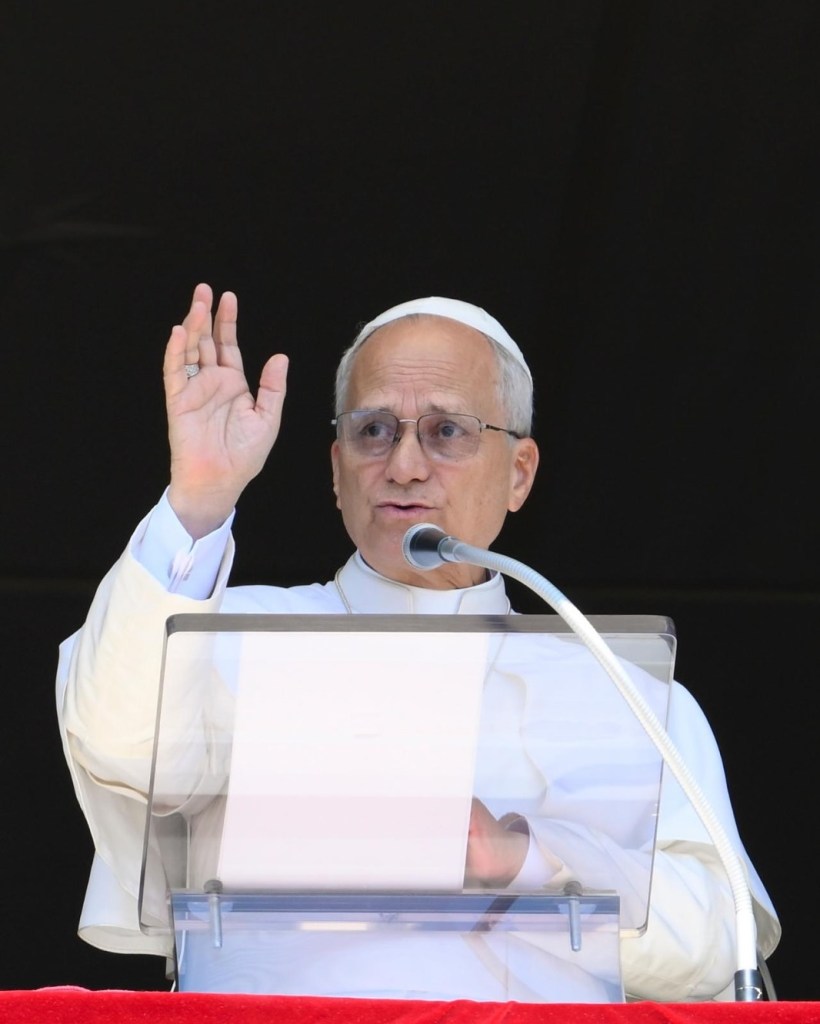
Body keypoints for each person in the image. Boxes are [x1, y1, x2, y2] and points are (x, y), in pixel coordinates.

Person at [56, 283, 780, 1001]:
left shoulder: (628, 695)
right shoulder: (227, 636)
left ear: (519, 473)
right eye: (373, 430)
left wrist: (520, 861)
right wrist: (198, 500)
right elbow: (121, 744)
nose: (403, 464)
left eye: (446, 431)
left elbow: (719, 945)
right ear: (336, 470)